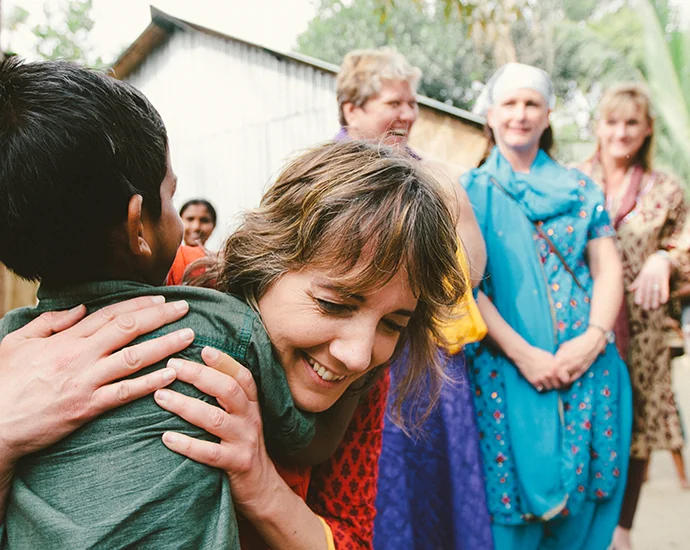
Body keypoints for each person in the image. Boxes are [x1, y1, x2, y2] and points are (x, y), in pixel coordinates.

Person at [0, 59, 466, 549]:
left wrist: (262, 485)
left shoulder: (362, 375)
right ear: (265, 259)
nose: (357, 353)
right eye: (334, 304)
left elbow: (352, 535)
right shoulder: (166, 295)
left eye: (394, 323)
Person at [464, 62, 633, 549]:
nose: (521, 114)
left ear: (547, 114)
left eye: (531, 104)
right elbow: (469, 288)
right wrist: (524, 354)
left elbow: (607, 269)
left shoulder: (582, 189)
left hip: (586, 369)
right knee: (510, 510)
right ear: (491, 114)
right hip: (504, 370)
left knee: (582, 503)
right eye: (510, 103)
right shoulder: (466, 193)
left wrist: (592, 340)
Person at [335, 47, 493, 549]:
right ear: (351, 109)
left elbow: (469, 270)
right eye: (392, 102)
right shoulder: (326, 172)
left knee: (435, 486)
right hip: (351, 359)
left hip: (424, 357)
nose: (406, 114)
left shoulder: (436, 175)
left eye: (411, 103)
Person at [578, 82, 690, 549]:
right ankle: (581, 529)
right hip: (581, 327)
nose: (621, 132)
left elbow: (686, 242)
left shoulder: (666, 188)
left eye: (631, 123)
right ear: (598, 127)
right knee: (583, 423)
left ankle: (621, 532)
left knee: (638, 434)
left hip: (642, 335)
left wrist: (665, 258)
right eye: (612, 121)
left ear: (646, 129)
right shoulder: (573, 179)